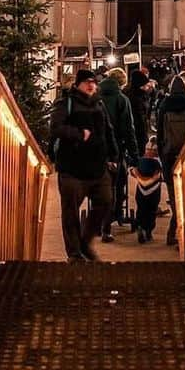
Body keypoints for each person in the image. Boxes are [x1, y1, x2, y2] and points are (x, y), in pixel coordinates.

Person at [49, 69, 118, 262]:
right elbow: (56, 128)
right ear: (78, 84)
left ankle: (85, 242)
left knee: (105, 201)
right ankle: (74, 253)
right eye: (87, 82)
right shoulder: (66, 103)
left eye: (94, 82)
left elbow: (108, 130)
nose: (91, 85)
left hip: (98, 166)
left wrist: (113, 154)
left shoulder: (99, 104)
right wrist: (79, 135)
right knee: (70, 212)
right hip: (72, 168)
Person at [157, 75, 185, 247]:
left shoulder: (164, 105)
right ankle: (184, 233)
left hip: (169, 156)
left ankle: (173, 232)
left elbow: (160, 134)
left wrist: (162, 155)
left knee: (174, 197)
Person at [97, 68, 138, 241]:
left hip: (94, 150)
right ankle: (109, 224)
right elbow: (128, 129)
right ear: (121, 82)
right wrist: (134, 154)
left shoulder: (94, 98)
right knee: (114, 186)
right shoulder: (122, 100)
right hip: (115, 150)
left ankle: (98, 222)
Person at [130, 149, 164, 244]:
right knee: (152, 210)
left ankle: (140, 225)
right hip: (154, 189)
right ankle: (148, 231)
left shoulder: (140, 160)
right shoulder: (157, 162)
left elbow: (132, 170)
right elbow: (161, 174)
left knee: (141, 208)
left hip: (140, 188)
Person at [125, 64, 156, 148]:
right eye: (144, 85)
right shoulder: (135, 98)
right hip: (136, 132)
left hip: (139, 131)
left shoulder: (141, 95)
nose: (146, 87)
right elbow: (139, 118)